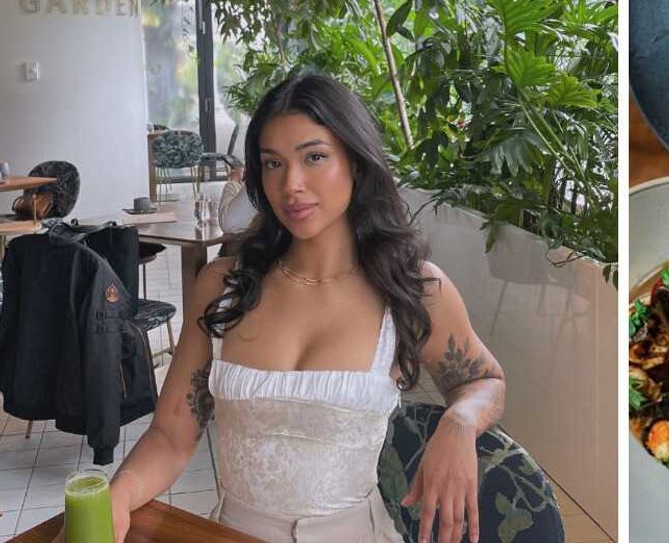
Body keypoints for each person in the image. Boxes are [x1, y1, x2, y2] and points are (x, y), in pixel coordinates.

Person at [76, 74, 506, 542]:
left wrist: (459, 421)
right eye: (273, 164)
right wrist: (117, 496)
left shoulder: (413, 288)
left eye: (314, 157)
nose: (291, 185)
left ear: (356, 162)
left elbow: (483, 380)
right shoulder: (223, 287)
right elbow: (172, 436)